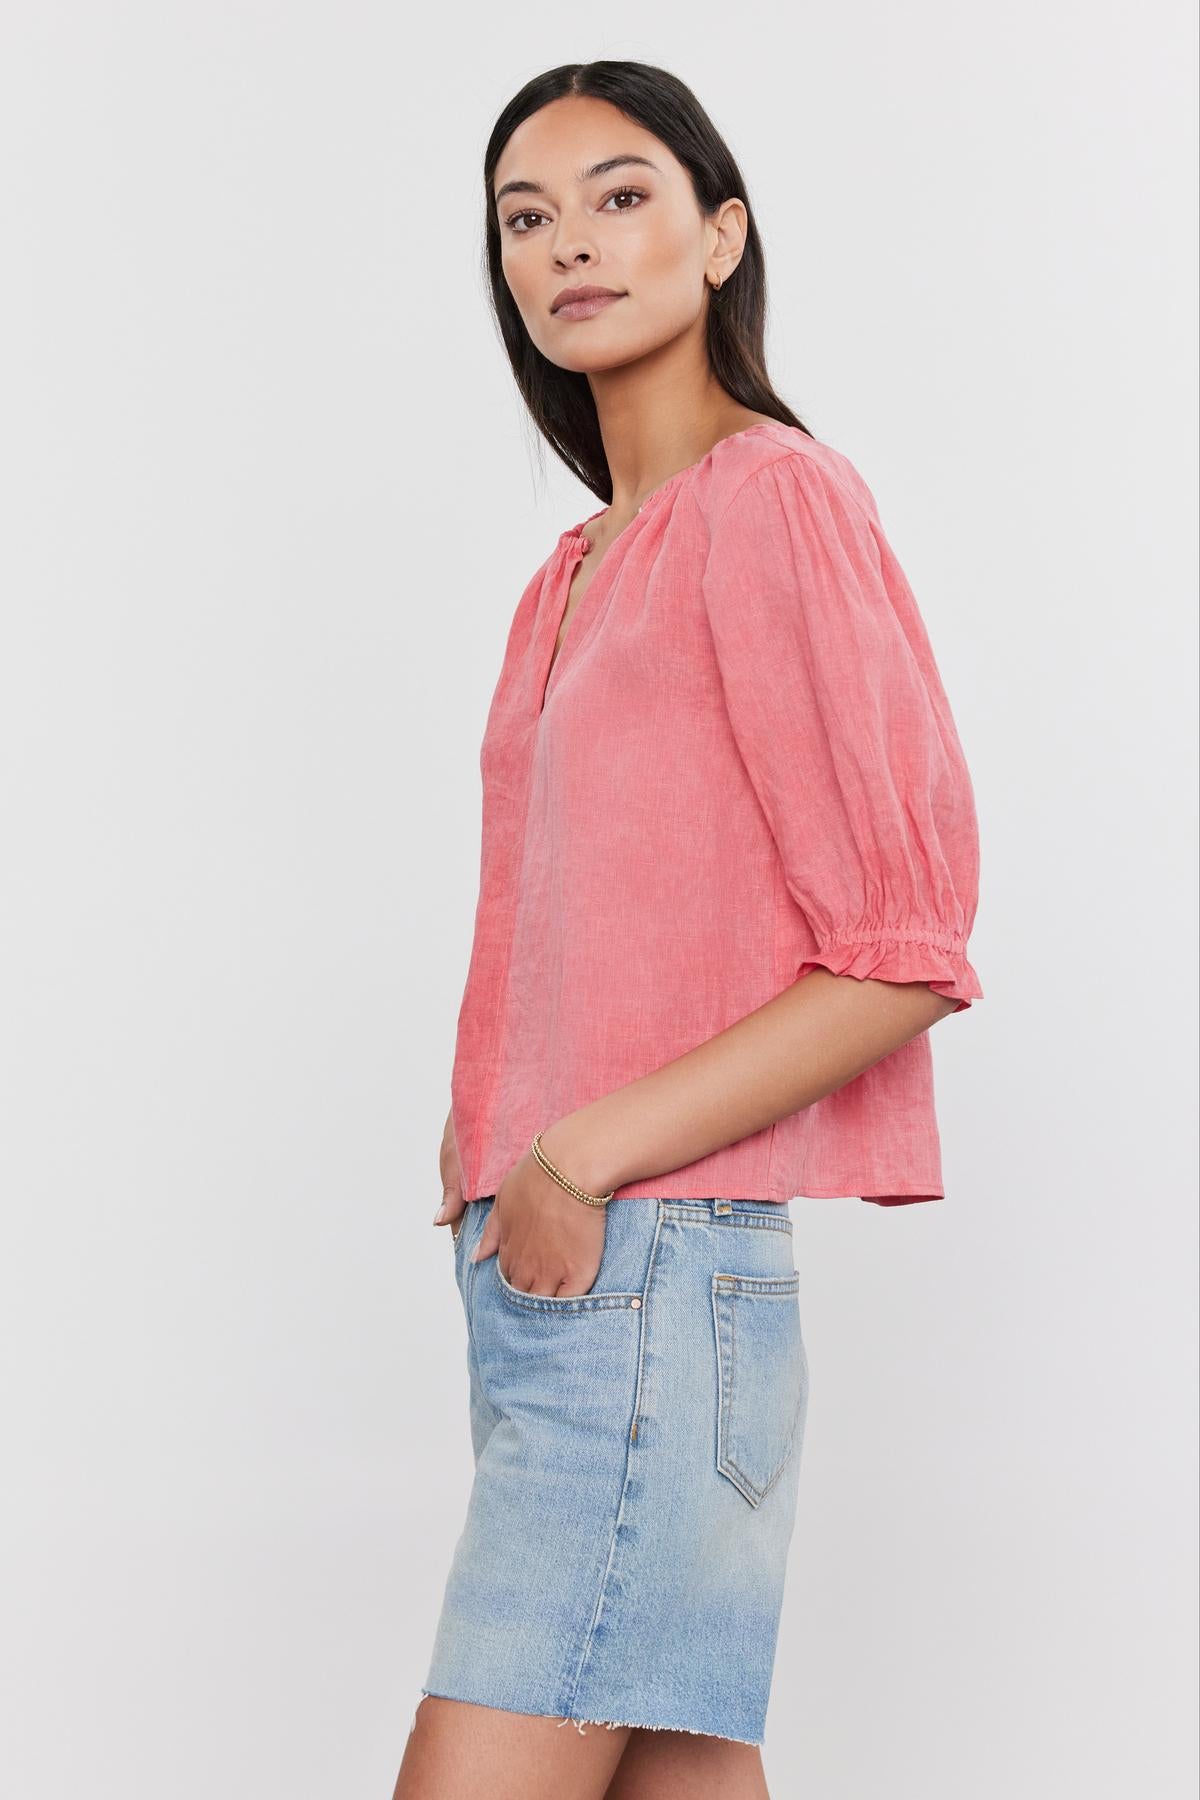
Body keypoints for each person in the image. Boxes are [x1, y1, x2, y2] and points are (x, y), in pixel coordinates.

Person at [394, 59, 984, 1800]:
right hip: (553, 1287)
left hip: (646, 1274)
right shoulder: (574, 571)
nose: (570, 241)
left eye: (623, 194)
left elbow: (904, 944)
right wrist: (500, 1169)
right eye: (527, 215)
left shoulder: (770, 501)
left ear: (723, 234)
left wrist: (578, 1156)